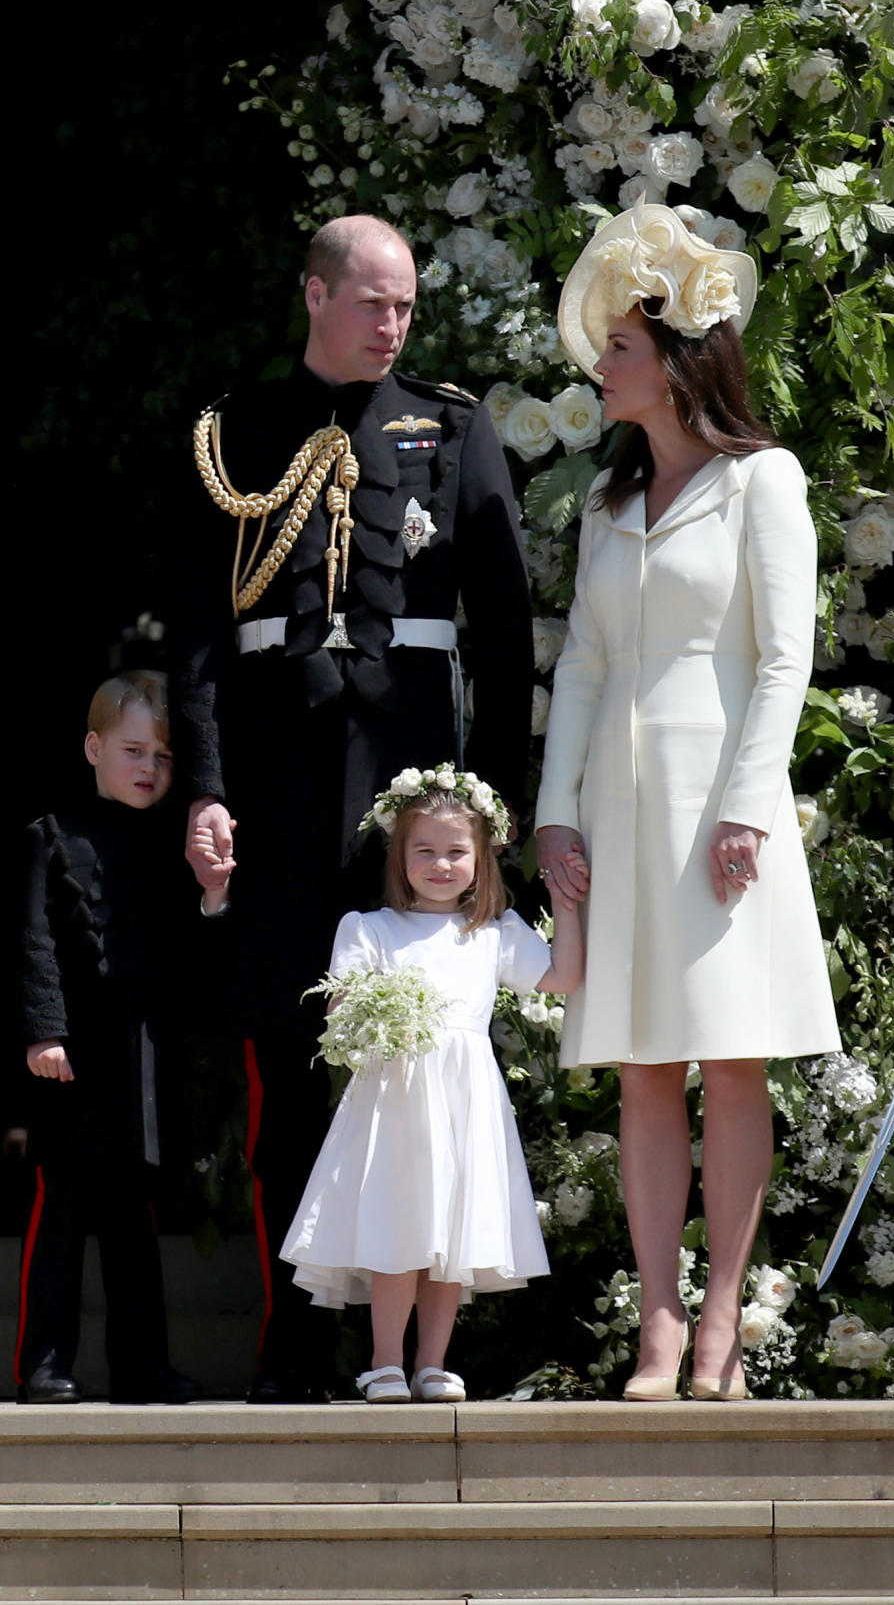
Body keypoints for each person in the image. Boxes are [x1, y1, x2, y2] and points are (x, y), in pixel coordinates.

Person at [171, 214, 534, 1402]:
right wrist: (209, 786)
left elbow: (503, 624)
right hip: (278, 789)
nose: (394, 325)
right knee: (282, 1063)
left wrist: (495, 814)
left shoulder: (456, 428)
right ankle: (295, 1337)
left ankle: (426, 1346)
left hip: (410, 797)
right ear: (315, 295)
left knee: (429, 1070)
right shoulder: (236, 435)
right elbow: (202, 639)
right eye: (374, 303)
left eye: (408, 307)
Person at [535, 201, 841, 1402]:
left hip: (724, 805)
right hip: (621, 807)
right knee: (642, 1069)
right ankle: (656, 1323)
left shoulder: (765, 480)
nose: (600, 364)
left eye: (618, 346)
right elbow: (584, 666)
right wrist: (556, 812)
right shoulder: (608, 510)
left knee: (728, 1063)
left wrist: (748, 807)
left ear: (674, 358)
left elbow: (784, 656)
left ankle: (721, 1323)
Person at [281, 765, 585, 1402]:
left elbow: (561, 979)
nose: (441, 864)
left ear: (481, 857)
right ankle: (384, 1361)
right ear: (400, 855)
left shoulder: (493, 933)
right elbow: (340, 1010)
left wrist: (566, 903)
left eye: (456, 852)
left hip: (463, 1101)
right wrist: (381, 1007)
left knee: (451, 1232)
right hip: (396, 1097)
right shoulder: (369, 930)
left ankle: (432, 1362)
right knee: (400, 1227)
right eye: (425, 851)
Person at [16, 671, 220, 1404]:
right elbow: (34, 945)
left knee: (134, 1223)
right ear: (94, 747)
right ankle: (44, 1362)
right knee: (62, 1215)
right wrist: (44, 1034)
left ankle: (143, 1364)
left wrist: (214, 891)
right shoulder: (48, 836)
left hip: (142, 1060)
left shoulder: (173, 846)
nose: (148, 768)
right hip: (72, 1062)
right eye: (134, 750)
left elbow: (194, 950)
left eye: (164, 757)